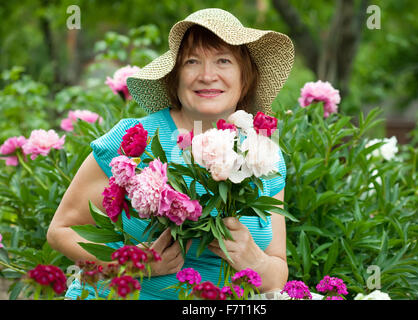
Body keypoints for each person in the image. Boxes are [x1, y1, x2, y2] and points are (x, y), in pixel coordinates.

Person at [47, 8, 295, 300]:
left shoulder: (263, 154)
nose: (207, 75)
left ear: (246, 78)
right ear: (174, 77)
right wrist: (130, 265)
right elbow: (61, 230)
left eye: (223, 61)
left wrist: (258, 263)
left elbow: (278, 269)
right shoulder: (133, 139)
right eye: (192, 61)